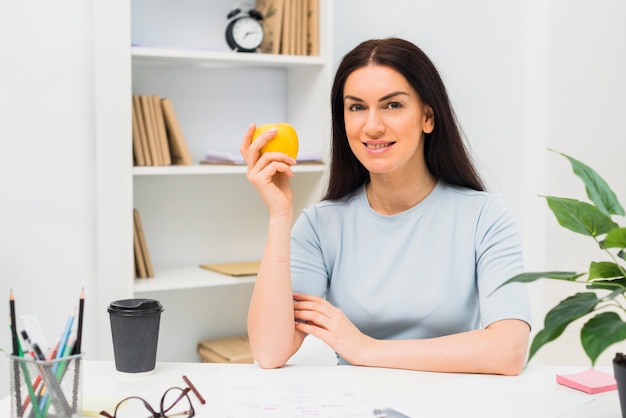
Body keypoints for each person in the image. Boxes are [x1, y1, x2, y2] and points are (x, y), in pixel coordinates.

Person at [240, 38, 531, 376]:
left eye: (392, 105)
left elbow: (509, 350)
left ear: (428, 117)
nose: (373, 126)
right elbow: (269, 351)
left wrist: (366, 348)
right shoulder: (321, 225)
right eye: (357, 107)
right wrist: (279, 215)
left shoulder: (485, 216)